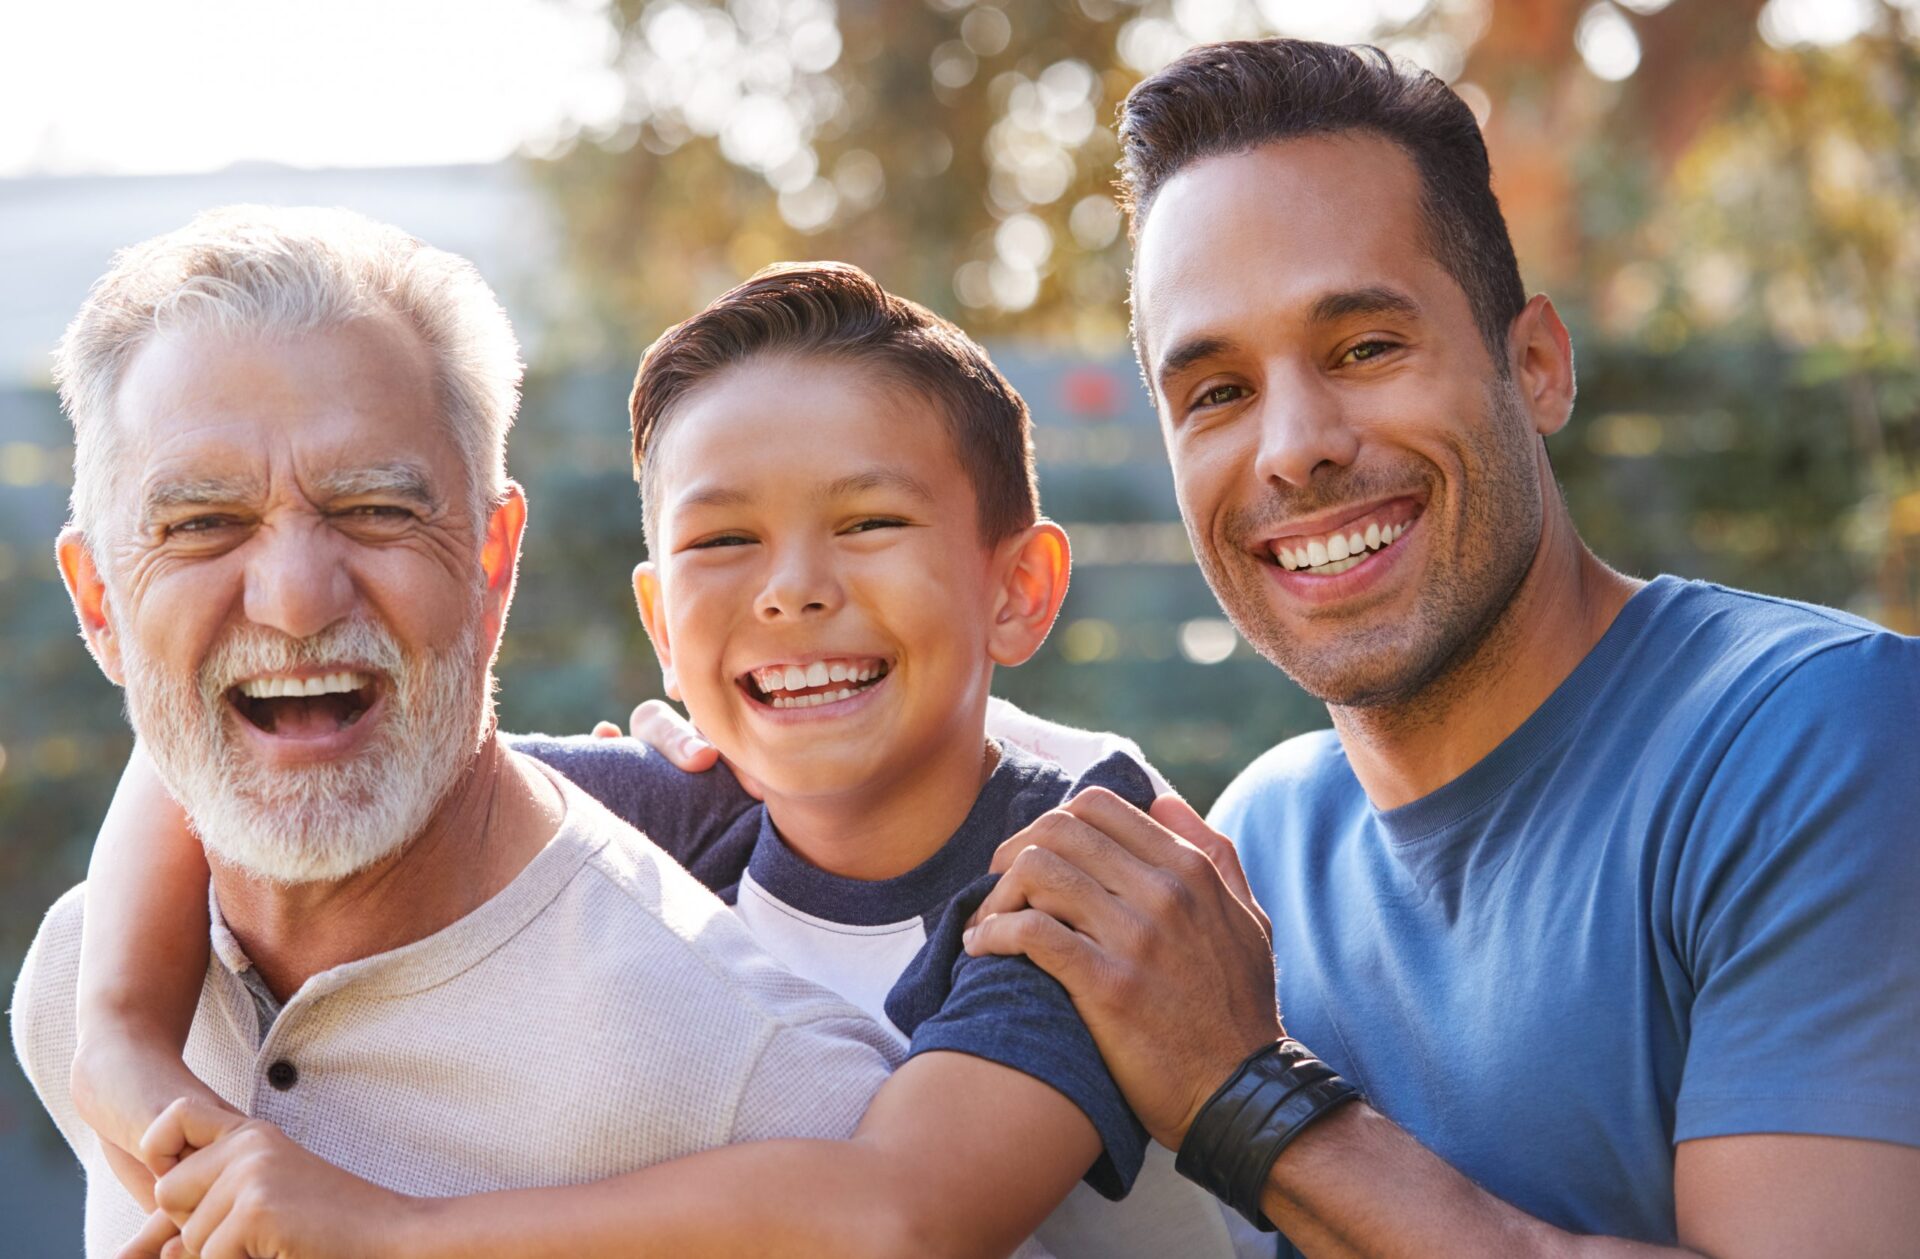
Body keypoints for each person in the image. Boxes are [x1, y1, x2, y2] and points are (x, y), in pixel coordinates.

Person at [52, 256, 1262, 1257]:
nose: (793, 589)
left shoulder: (1086, 878)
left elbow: (901, 1210)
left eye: (869, 522)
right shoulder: (689, 803)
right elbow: (264, 740)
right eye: (725, 538)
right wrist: (121, 1035)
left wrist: (393, 1231)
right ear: (662, 629)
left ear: (1022, 588)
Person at [946, 37, 1920, 1257]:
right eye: (1218, 392)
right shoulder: (1256, 852)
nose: (1294, 446)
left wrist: (1247, 1091)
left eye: (1363, 348)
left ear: (1537, 363)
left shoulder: (1822, 739)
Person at [9, 206, 928, 1259]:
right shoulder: (76, 983)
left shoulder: (761, 1079)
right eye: (203, 523)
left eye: (375, 509)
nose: (297, 599)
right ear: (96, 602)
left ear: (494, 563)